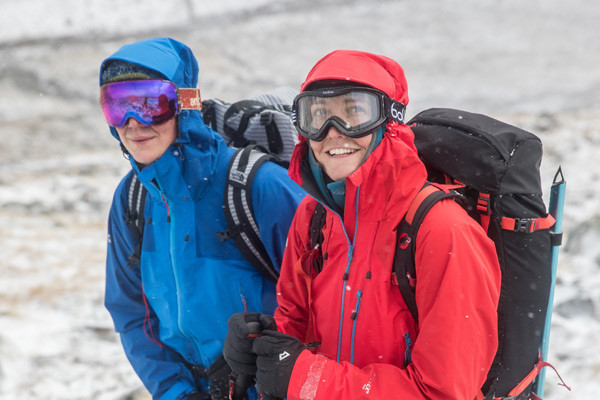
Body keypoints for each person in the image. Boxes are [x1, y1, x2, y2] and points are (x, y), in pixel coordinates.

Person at [223, 50, 502, 399]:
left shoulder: (442, 230)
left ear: (389, 122)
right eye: (318, 115)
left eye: (354, 112)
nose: (333, 132)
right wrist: (264, 346)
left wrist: (306, 379)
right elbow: (296, 323)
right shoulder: (313, 217)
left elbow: (443, 392)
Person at [100, 37, 305, 400]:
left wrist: (265, 375)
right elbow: (131, 313)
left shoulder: (258, 187)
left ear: (184, 105)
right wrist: (176, 391)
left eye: (150, 104)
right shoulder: (132, 198)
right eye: (117, 106)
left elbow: (327, 303)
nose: (133, 123)